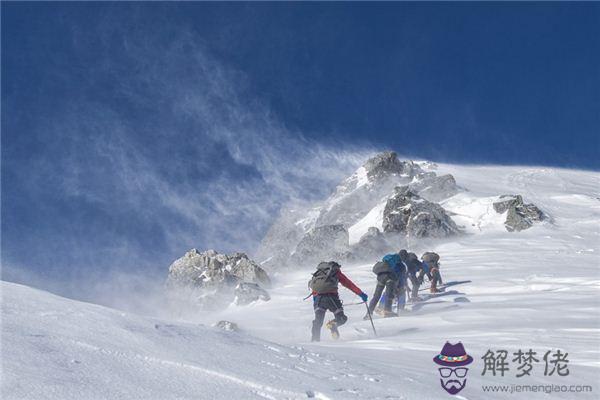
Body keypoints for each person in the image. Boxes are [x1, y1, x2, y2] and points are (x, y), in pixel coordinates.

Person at [308, 261, 368, 341]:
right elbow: (349, 284)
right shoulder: (335, 272)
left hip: (318, 300)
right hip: (332, 299)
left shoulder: (318, 274)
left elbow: (314, 290)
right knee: (341, 318)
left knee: (318, 321)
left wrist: (316, 303)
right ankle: (333, 324)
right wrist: (361, 294)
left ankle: (315, 341)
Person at [366, 250, 407, 318]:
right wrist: (400, 287)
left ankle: (369, 313)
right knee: (389, 295)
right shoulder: (401, 265)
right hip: (390, 277)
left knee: (376, 296)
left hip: (380, 276)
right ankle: (387, 311)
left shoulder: (389, 258)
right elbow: (400, 277)